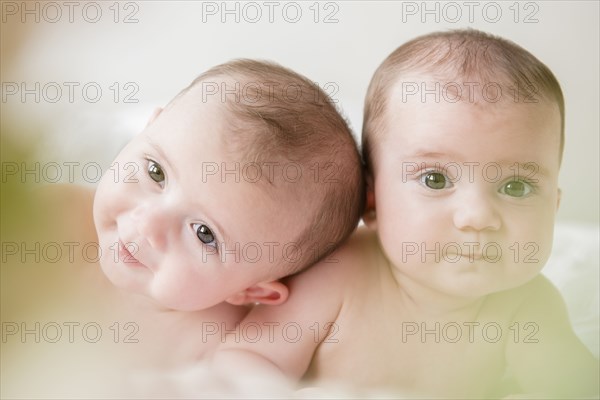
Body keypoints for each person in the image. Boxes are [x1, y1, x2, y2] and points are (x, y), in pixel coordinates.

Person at [209, 30, 599, 398]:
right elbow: (247, 360)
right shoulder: (336, 275)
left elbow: (578, 388)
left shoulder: (527, 305)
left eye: (516, 187)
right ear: (372, 201)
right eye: (434, 178)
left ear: (554, 206)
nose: (477, 216)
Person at [2, 59, 364, 397]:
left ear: (252, 289)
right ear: (145, 129)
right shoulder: (52, 224)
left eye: (203, 233)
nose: (148, 225)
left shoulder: (218, 351)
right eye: (156, 173)